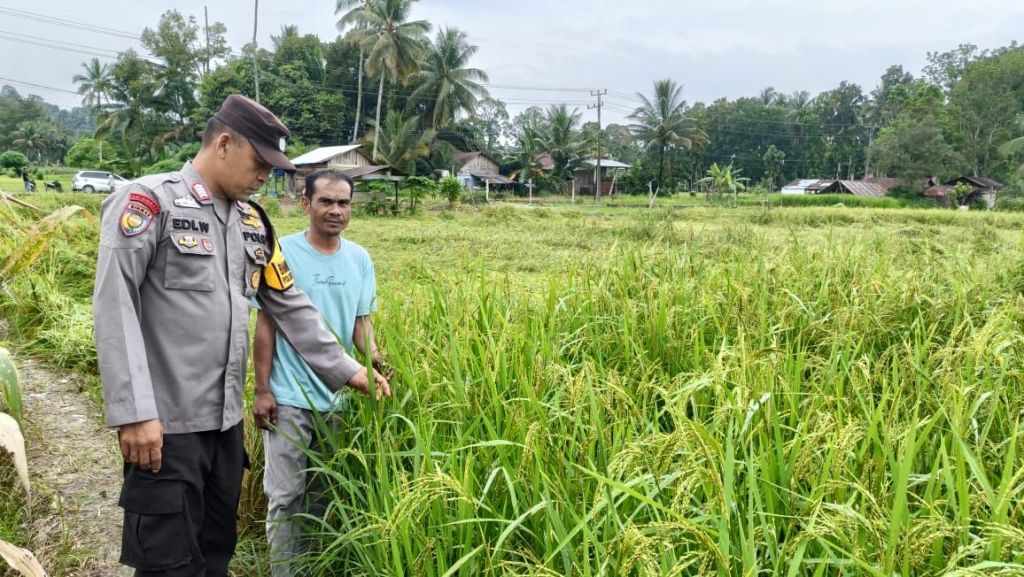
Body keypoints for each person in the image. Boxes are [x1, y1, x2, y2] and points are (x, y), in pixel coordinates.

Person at [92, 94, 392, 577]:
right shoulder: (149, 203)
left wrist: (348, 370)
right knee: (168, 561)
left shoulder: (253, 223)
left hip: (225, 426)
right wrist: (135, 413)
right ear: (225, 144)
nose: (264, 177)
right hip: (165, 425)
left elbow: (289, 304)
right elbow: (114, 306)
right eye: (259, 164)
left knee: (216, 549)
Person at [253, 170, 392, 576]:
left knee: (321, 495)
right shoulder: (283, 253)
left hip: (338, 398)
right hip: (288, 397)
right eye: (326, 201)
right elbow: (266, 325)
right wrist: (262, 389)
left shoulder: (359, 258)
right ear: (306, 204)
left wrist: (374, 358)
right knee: (285, 497)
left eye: (343, 202)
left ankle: (311, 566)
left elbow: (360, 322)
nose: (336, 210)